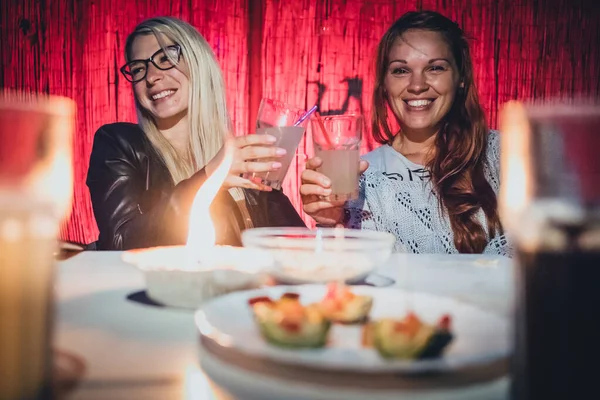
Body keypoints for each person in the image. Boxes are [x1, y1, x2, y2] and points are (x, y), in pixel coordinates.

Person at [301, 11, 511, 256]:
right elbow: (345, 282)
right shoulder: (362, 179)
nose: (417, 85)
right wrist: (329, 222)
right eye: (401, 70)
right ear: (384, 83)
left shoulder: (506, 156)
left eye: (435, 68)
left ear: (461, 77)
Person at [87, 16, 304, 250]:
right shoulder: (118, 143)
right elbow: (120, 243)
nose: (151, 77)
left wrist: (330, 223)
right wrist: (210, 177)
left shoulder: (244, 166)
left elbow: (303, 257)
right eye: (139, 68)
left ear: (198, 63)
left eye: (166, 58)